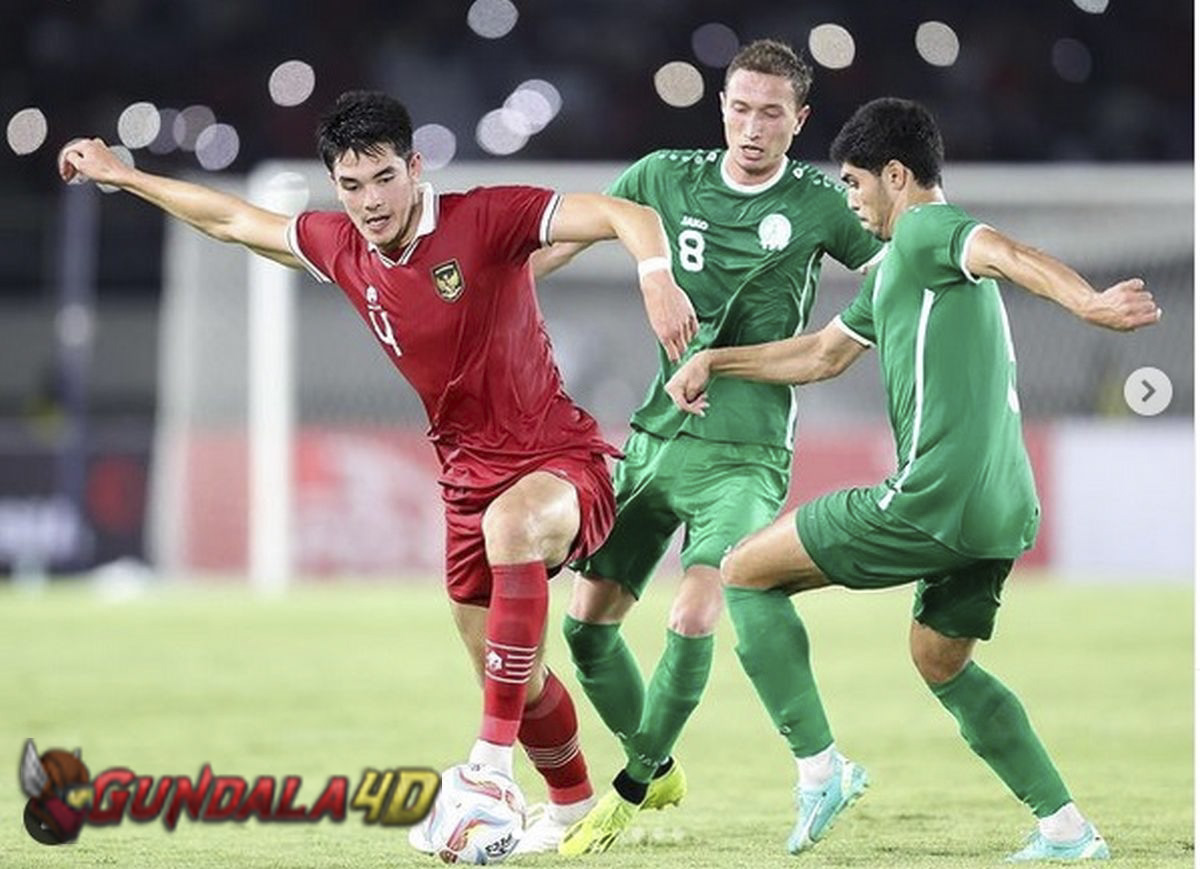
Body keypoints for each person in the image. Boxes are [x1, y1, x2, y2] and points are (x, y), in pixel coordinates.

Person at [58, 90, 700, 854]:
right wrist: (123, 176)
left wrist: (655, 274)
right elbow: (231, 220)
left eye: (384, 178)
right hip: (465, 478)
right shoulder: (344, 248)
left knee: (513, 528)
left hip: (559, 457)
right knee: (509, 673)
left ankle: (488, 771)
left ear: (414, 167)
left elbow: (622, 213)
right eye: (352, 186)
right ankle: (568, 810)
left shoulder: (484, 217)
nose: (370, 201)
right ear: (336, 185)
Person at [665, 97, 1160, 861]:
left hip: (936, 495)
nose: (852, 203)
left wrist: (1086, 302)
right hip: (1003, 505)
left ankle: (820, 768)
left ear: (896, 175)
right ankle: (1067, 830)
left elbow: (1002, 248)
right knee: (939, 656)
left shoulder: (929, 228)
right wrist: (715, 361)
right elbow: (823, 356)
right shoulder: (899, 266)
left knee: (742, 570)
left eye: (857, 185)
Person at [531, 40, 883, 855]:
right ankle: (660, 769)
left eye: (771, 113)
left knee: (695, 607)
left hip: (747, 452)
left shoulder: (818, 204)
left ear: (800, 121)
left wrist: (856, 338)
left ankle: (631, 781)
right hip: (657, 440)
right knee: (586, 628)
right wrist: (479, 284)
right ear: (720, 104)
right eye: (739, 106)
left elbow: (899, 269)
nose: (751, 126)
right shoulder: (662, 175)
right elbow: (559, 245)